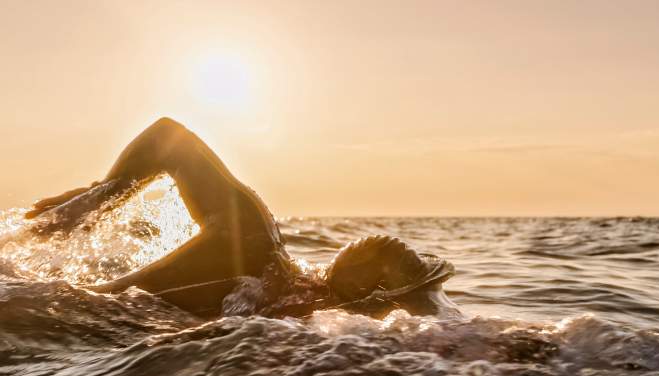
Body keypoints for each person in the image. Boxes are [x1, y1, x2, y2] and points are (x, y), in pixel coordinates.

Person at [26, 118, 458, 318]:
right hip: (64, 318)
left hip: (56, 318)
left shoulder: (257, 256)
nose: (372, 241)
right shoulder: (254, 247)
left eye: (371, 252)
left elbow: (169, 137)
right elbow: (168, 136)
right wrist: (98, 198)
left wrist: (103, 193)